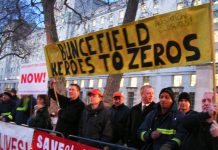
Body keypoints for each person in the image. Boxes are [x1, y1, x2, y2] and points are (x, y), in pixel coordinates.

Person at [127, 85, 156, 149]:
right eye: (148, 93)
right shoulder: (134, 109)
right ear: (142, 94)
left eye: (152, 93)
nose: (151, 95)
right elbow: (128, 127)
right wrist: (128, 142)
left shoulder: (156, 109)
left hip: (148, 146)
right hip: (133, 145)